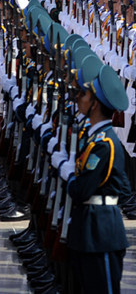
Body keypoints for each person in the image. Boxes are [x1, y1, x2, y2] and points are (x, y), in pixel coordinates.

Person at [52, 64, 131, 293]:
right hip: (89, 227)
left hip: (101, 233)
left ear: (94, 104)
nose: (78, 98)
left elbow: (82, 190)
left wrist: (68, 172)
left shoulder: (104, 145)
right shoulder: (96, 138)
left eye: (84, 94)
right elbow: (122, 188)